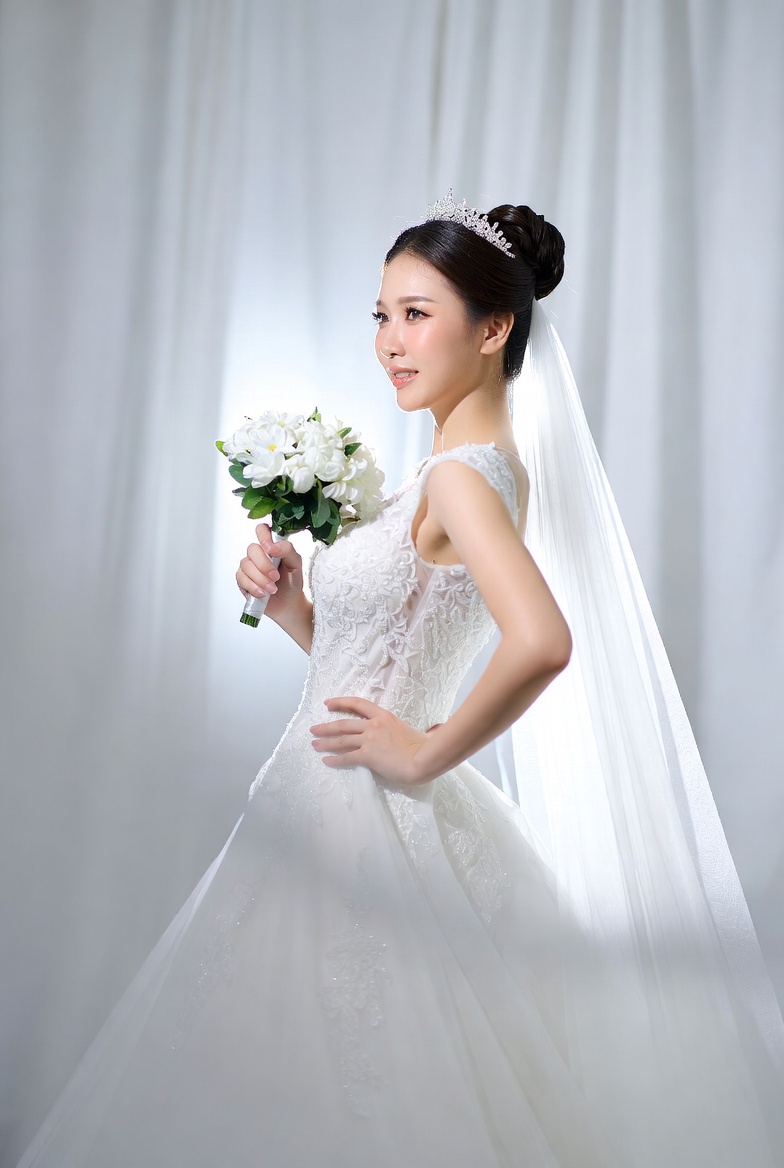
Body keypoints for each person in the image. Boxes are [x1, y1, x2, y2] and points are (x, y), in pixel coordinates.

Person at [16, 197, 784, 1167]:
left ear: (494, 326)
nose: (389, 341)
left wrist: (421, 750)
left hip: (360, 821)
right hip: (330, 799)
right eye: (381, 314)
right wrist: (300, 607)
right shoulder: (479, 471)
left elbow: (542, 640)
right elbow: (388, 659)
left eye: (417, 313)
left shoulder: (463, 477)